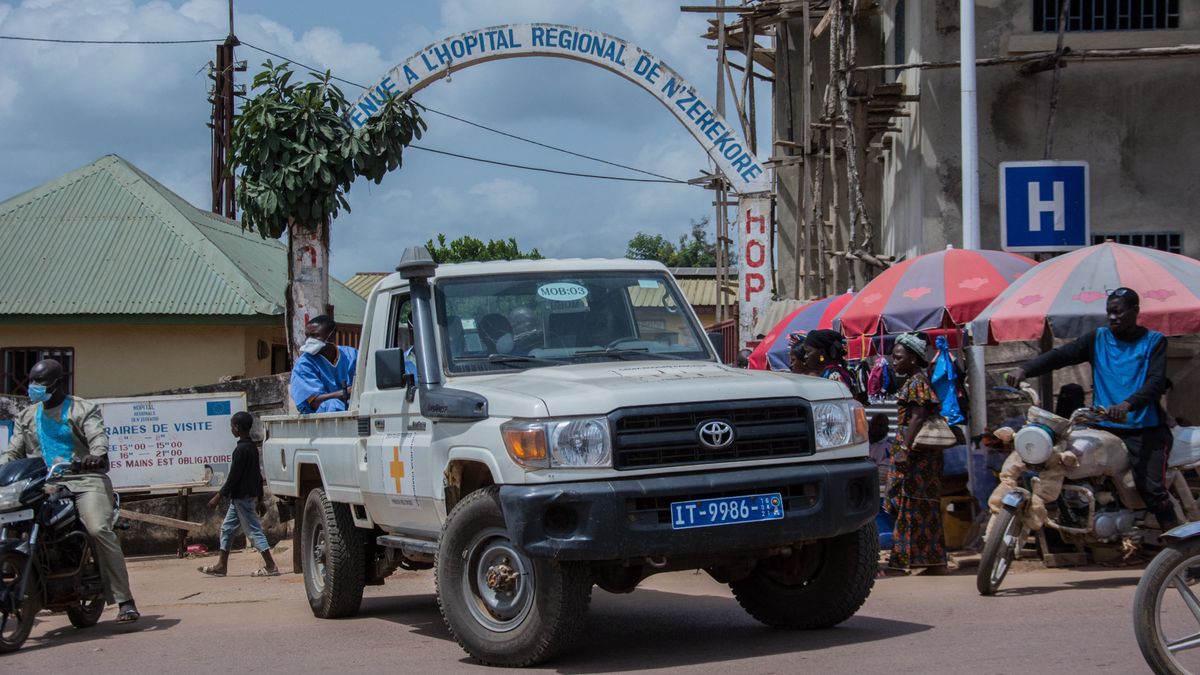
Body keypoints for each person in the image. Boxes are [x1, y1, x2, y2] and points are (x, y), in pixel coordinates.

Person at [1006, 288, 1177, 529]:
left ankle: (1180, 551)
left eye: (1118, 312)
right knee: (1064, 461)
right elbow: (1060, 356)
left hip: (1144, 428)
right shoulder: (1098, 338)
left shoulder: (1154, 341)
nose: (1112, 318)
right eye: (1109, 313)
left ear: (1135, 311)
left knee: (1152, 491)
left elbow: (1155, 382)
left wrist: (1127, 405)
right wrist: (1025, 369)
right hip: (1103, 425)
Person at [0, 359, 140, 622]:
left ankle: (125, 600)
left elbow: (97, 437)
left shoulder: (81, 408)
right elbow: (14, 452)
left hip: (85, 479)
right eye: (31, 381)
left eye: (40, 383)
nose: (33, 387)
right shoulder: (28, 416)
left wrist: (96, 455)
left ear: (57, 383)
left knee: (98, 529)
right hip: (45, 484)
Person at [884, 332, 950, 575]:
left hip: (916, 455)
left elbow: (917, 417)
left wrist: (904, 449)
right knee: (919, 506)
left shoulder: (917, 383)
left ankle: (903, 562)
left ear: (913, 358)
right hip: (918, 453)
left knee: (911, 505)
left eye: (898, 357)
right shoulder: (916, 381)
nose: (894, 361)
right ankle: (934, 562)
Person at [199, 411, 278, 578]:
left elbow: (233, 477)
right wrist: (260, 498)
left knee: (254, 532)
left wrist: (218, 496)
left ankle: (270, 566)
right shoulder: (251, 448)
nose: (231, 429)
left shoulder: (241, 450)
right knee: (227, 529)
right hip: (241, 499)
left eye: (232, 426)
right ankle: (221, 566)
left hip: (243, 498)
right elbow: (258, 475)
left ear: (237, 427)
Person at [290, 315, 358, 414]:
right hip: (322, 418)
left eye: (315, 335)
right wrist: (345, 393)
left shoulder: (352, 355)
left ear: (331, 336)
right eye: (307, 335)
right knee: (332, 404)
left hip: (355, 409)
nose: (309, 340)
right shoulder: (304, 364)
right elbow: (314, 401)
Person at [791, 329, 866, 403]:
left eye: (808, 352)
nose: (805, 356)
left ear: (821, 352)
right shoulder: (828, 373)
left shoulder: (834, 376)